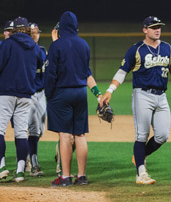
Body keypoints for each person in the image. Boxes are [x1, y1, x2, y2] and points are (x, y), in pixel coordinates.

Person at [100, 16, 171, 185]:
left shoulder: (167, 48)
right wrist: (109, 90)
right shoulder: (136, 50)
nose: (157, 29)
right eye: (153, 27)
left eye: (159, 27)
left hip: (161, 96)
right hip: (142, 95)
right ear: (145, 30)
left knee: (163, 135)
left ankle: (140, 156)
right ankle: (141, 173)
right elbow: (122, 71)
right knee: (142, 135)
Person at [45, 12, 101, 187]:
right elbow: (86, 73)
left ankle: (66, 177)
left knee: (65, 134)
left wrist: (49, 93)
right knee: (80, 134)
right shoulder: (84, 45)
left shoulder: (56, 46)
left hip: (62, 93)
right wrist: (98, 94)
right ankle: (82, 176)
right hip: (80, 93)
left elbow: (51, 74)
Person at [0, 17, 44, 182]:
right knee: (20, 133)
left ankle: (1, 166)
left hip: (7, 92)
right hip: (26, 94)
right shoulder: (33, 46)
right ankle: (20, 172)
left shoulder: (8, 44)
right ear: (26, 29)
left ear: (13, 30)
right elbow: (40, 60)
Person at [26, 23, 47, 176]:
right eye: (32, 32)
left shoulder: (42, 50)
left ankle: (27, 155)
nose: (35, 34)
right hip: (29, 94)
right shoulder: (27, 50)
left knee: (41, 131)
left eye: (36, 32)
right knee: (34, 129)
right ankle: (34, 165)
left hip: (42, 94)